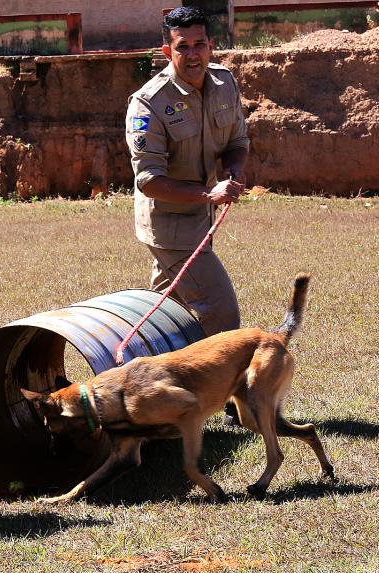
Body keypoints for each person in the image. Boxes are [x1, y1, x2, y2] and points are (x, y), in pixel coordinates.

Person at [125, 6, 249, 337]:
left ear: (210, 45)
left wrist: (234, 171)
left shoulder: (224, 83)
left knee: (163, 314)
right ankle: (209, 387)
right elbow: (149, 181)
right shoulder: (149, 103)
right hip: (170, 226)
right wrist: (210, 193)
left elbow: (238, 141)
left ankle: (143, 377)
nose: (192, 54)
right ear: (168, 51)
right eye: (183, 46)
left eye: (199, 45)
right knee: (222, 313)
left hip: (202, 216)